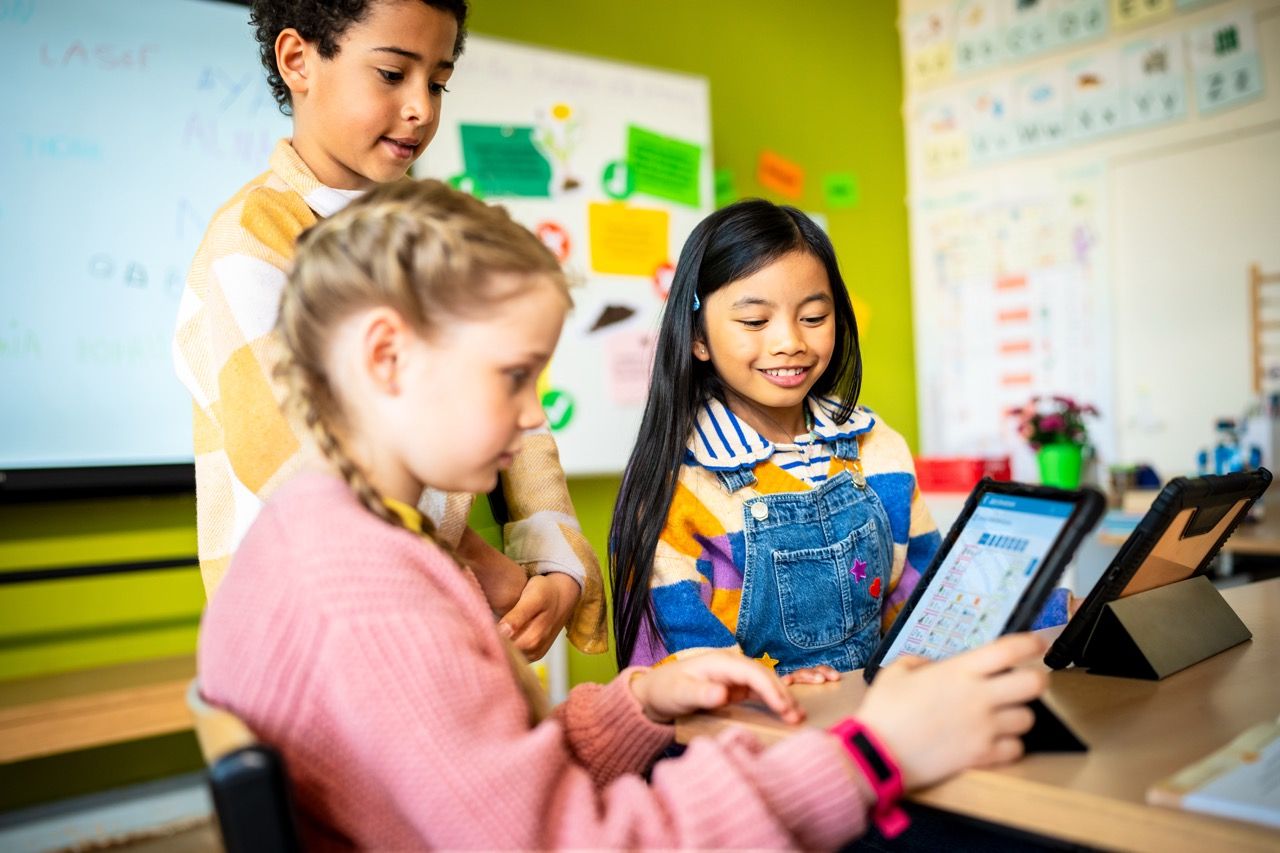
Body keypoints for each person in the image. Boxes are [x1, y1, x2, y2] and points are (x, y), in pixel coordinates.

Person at [199, 180, 1049, 849]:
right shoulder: (367, 595)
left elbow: (486, 779)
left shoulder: (329, 530)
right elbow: (585, 842)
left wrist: (641, 698)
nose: (537, 415)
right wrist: (870, 753)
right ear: (387, 355)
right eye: (512, 376)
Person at [172, 0, 604, 658]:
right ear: (298, 61)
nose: (421, 109)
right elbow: (307, 468)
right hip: (325, 639)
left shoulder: (432, 228)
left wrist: (555, 561)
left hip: (453, 630)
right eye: (391, 74)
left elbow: (517, 408)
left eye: (437, 81)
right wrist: (489, 570)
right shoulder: (249, 243)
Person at [611, 199, 948, 678]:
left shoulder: (879, 448)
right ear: (697, 337)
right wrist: (771, 692)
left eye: (813, 318)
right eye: (754, 322)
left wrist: (1050, 609)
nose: (790, 341)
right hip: (749, 744)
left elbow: (928, 601)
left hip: (876, 729)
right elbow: (676, 676)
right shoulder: (676, 491)